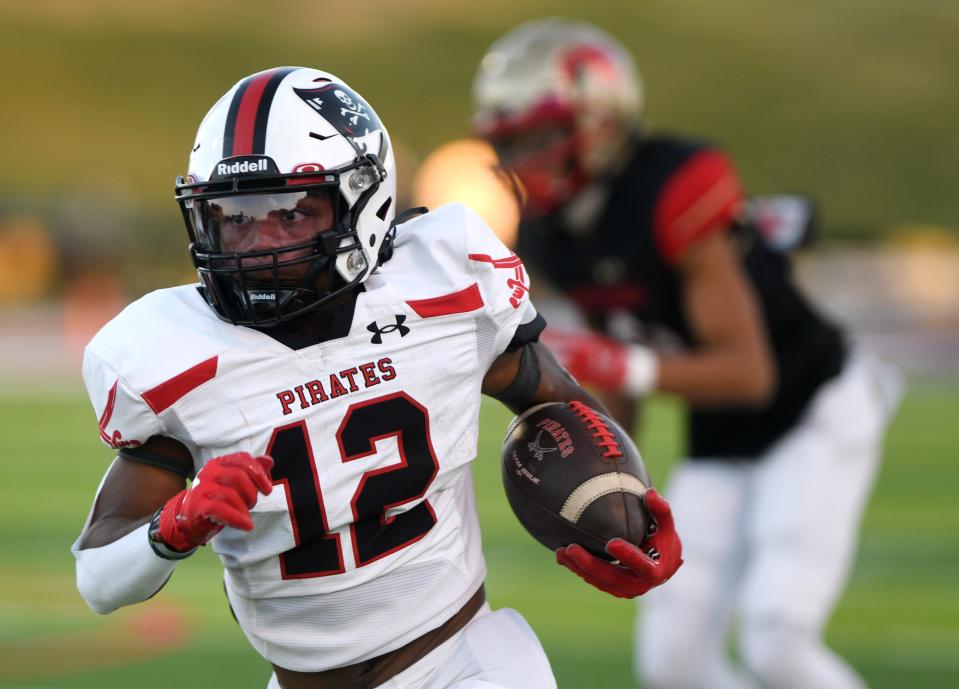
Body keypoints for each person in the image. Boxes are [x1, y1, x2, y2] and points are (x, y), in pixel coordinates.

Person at [71, 66, 682, 689]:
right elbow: (97, 579)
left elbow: (558, 400)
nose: (255, 242)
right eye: (232, 215)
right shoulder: (176, 354)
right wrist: (171, 527)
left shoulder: (441, 286)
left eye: (288, 212)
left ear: (364, 200)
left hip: (463, 665)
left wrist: (627, 510)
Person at [473, 19, 903, 689]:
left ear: (602, 119)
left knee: (776, 638)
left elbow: (748, 373)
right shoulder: (546, 230)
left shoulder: (673, 183)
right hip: (720, 430)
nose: (527, 158)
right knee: (672, 660)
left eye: (542, 136)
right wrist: (609, 478)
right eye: (512, 142)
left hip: (813, 403)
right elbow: (613, 372)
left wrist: (618, 364)